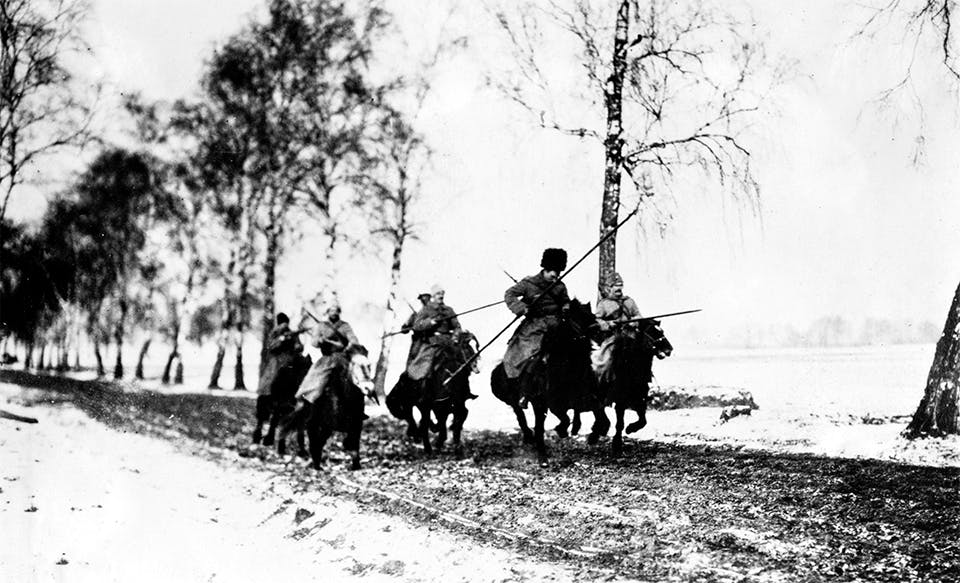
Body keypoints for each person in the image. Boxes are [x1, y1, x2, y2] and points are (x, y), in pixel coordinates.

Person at [502, 248, 570, 379]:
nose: (556, 275)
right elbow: (509, 294)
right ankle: (524, 388)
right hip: (535, 326)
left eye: (558, 272)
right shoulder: (529, 284)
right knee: (526, 355)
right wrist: (522, 308)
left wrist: (566, 308)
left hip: (557, 324)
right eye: (553, 272)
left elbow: (565, 301)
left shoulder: (560, 286)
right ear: (545, 269)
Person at [295, 303, 361, 404]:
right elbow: (314, 343)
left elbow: (354, 340)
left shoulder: (345, 326)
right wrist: (321, 340)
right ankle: (305, 403)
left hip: (342, 357)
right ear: (328, 312)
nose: (334, 313)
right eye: (331, 310)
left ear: (339, 312)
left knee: (356, 381)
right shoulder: (321, 326)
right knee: (312, 379)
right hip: (327, 358)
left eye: (336, 310)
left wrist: (348, 345)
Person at [592, 272, 643, 382]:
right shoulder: (604, 304)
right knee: (605, 362)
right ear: (609, 288)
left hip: (631, 336)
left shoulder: (629, 301)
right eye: (615, 286)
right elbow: (597, 320)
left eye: (620, 285)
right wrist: (609, 324)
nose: (618, 288)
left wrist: (634, 321)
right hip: (613, 339)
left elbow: (638, 315)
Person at [406, 284, 461, 382]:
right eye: (438, 294)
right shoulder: (426, 309)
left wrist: (455, 338)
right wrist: (430, 322)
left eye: (442, 294)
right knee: (423, 367)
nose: (441, 296)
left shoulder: (449, 310)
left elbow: (457, 327)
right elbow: (417, 326)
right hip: (432, 343)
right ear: (433, 296)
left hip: (448, 341)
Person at [257, 312, 303, 397]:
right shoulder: (275, 333)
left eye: (286, 324)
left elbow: (299, 346)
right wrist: (281, 340)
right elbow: (270, 347)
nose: (284, 326)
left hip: (290, 358)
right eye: (282, 324)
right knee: (271, 378)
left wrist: (297, 346)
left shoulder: (292, 334)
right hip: (277, 359)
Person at [400, 292, 433, 367]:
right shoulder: (415, 315)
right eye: (422, 298)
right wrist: (407, 327)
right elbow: (404, 328)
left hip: (431, 340)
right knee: (414, 359)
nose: (424, 300)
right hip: (418, 340)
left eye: (426, 298)